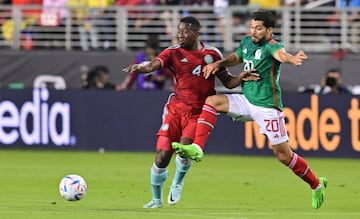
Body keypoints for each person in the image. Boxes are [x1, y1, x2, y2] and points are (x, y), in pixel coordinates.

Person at [172, 10, 328, 209]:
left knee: (283, 155)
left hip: (267, 108)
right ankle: (197, 148)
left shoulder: (272, 46)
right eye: (252, 27)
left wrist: (292, 58)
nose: (253, 31)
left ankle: (316, 184)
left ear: (269, 30)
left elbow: (281, 55)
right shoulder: (247, 42)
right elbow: (235, 58)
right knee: (212, 101)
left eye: (258, 28)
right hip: (247, 100)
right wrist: (219, 63)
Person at [122, 16, 259, 208]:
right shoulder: (172, 53)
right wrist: (141, 67)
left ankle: (177, 182)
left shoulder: (212, 54)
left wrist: (242, 77)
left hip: (200, 112)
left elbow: (228, 82)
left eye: (185, 31)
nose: (180, 35)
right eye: (179, 31)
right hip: (176, 110)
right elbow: (153, 65)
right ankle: (156, 199)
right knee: (162, 157)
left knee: (185, 149)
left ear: (196, 33)